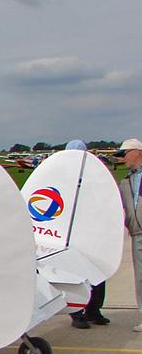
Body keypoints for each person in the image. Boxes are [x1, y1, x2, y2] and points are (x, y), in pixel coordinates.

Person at [65, 140, 110, 329]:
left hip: (91, 233)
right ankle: (77, 313)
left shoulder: (94, 177)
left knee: (97, 272)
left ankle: (93, 309)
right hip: (71, 235)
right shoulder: (63, 178)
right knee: (73, 275)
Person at [116, 137, 142, 332]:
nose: (123, 158)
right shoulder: (125, 181)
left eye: (125, 154)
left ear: (137, 152)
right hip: (137, 233)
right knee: (140, 277)